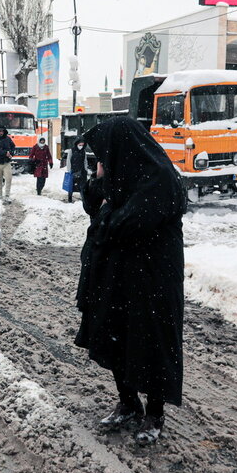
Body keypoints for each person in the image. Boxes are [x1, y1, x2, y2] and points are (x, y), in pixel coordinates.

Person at [76, 117, 187, 444]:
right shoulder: (122, 173)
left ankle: (154, 413)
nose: (101, 160)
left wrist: (108, 210)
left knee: (150, 345)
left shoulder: (159, 179)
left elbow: (118, 226)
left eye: (103, 154)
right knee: (113, 337)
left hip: (153, 284)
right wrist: (98, 181)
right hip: (120, 278)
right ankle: (128, 404)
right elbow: (92, 205)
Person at [65, 137, 88, 203]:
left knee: (82, 186)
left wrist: (85, 169)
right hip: (73, 170)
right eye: (80, 145)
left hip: (82, 171)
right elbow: (68, 160)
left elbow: (85, 161)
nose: (81, 146)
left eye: (82, 145)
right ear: (77, 144)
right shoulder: (71, 151)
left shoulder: (83, 151)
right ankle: (70, 198)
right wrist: (69, 170)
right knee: (71, 186)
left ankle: (83, 199)